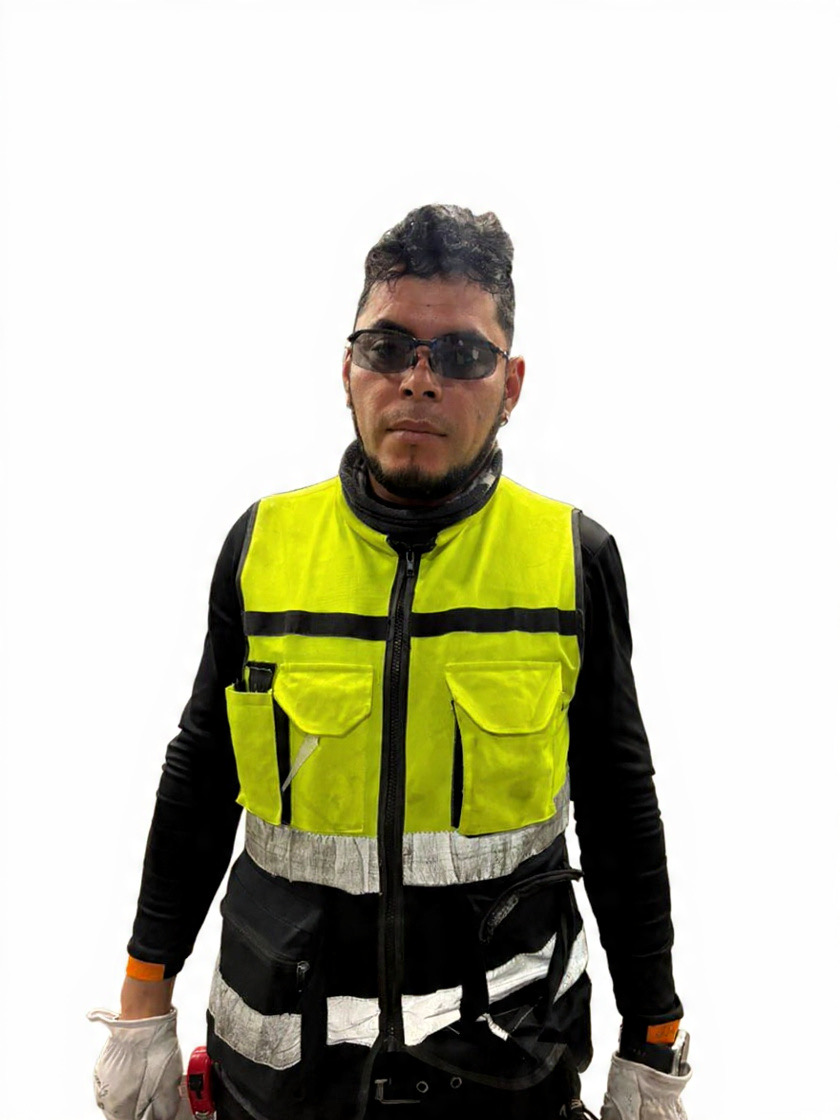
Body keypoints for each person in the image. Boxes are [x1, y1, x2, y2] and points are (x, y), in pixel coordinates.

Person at [90, 204, 691, 1120]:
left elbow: (620, 811)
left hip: (506, 1074)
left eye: (462, 354)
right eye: (388, 347)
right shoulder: (261, 547)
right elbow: (200, 782)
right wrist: (142, 1000)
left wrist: (653, 1037)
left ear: (511, 383)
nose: (419, 379)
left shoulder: (574, 560)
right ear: (348, 369)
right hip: (281, 1075)